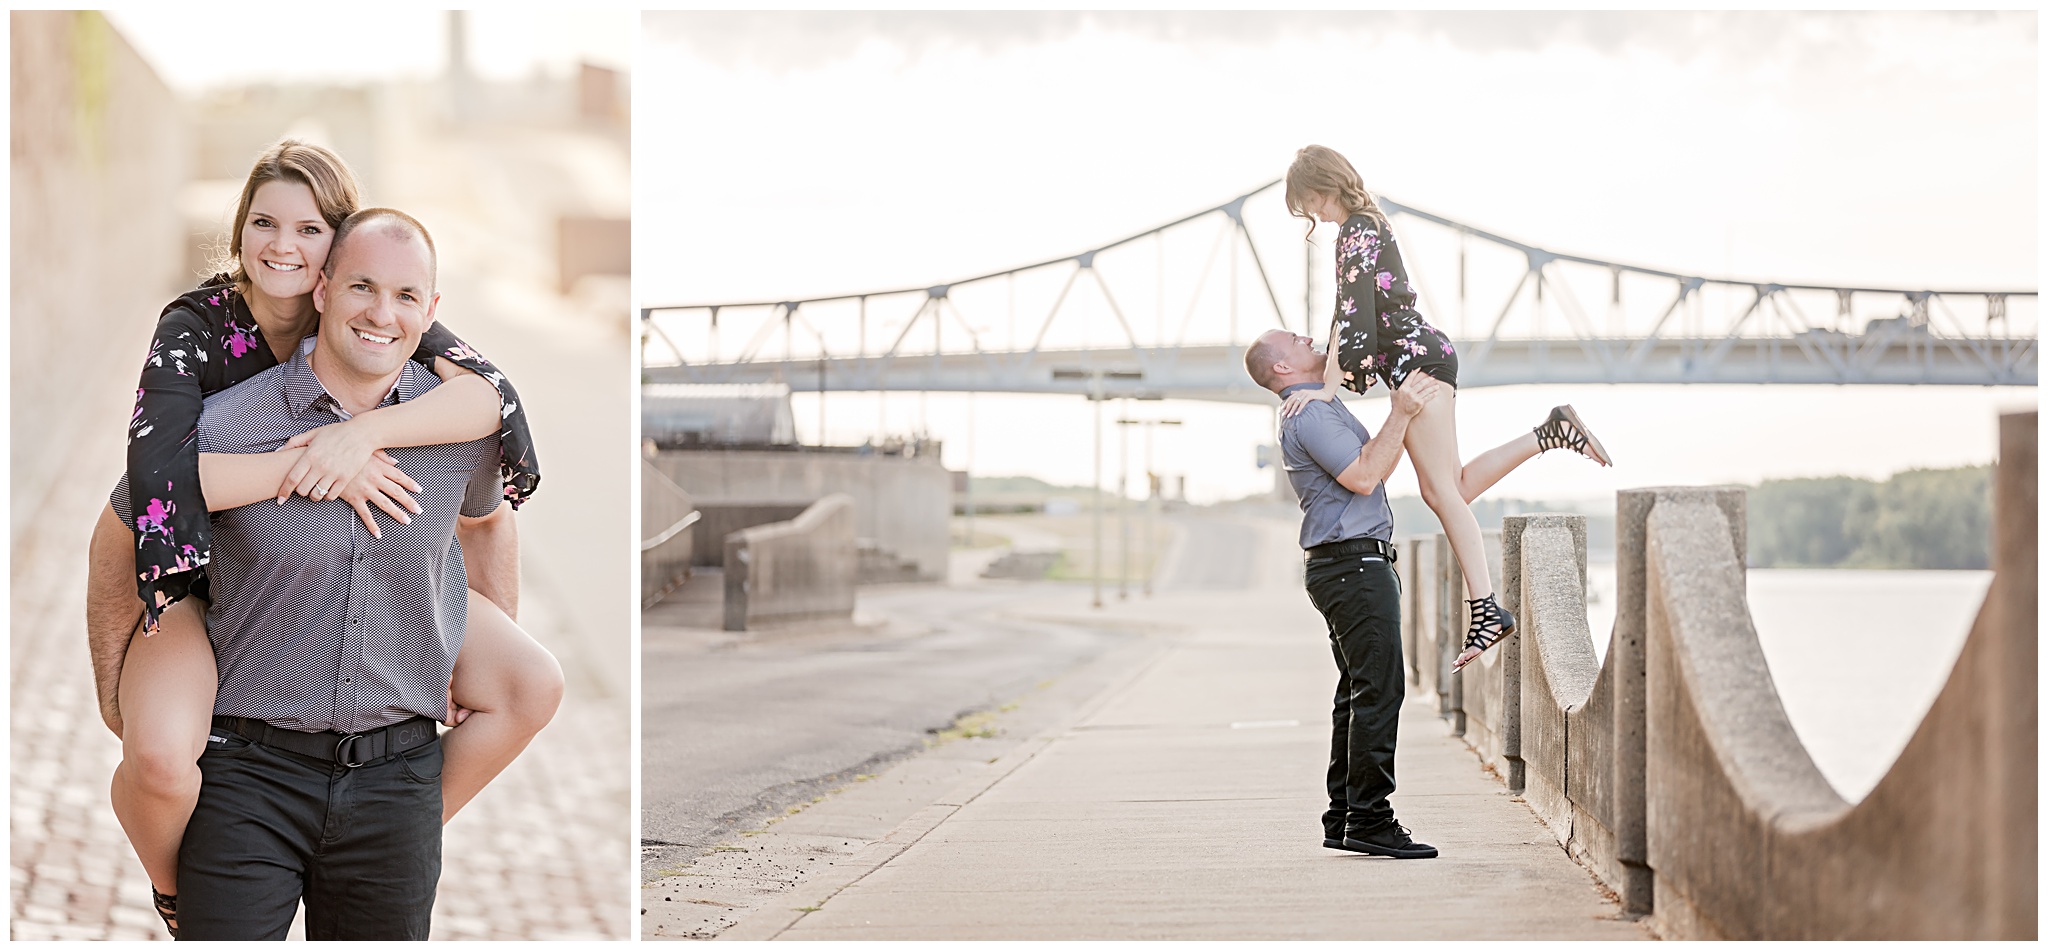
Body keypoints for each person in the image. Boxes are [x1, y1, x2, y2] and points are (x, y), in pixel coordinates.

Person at [82, 141, 562, 937]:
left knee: (532, 681)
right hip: (216, 627)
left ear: (330, 255)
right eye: (265, 223)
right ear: (326, 280)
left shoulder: (424, 363)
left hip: (391, 776)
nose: (284, 246)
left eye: (309, 230)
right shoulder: (199, 340)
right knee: (161, 754)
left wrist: (364, 434)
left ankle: (388, 834)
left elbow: (491, 429)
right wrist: (309, 460)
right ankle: (176, 883)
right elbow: (145, 502)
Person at [156, 207, 498, 938]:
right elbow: (131, 526)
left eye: (407, 296)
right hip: (249, 775)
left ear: (431, 311)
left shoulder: (460, 436)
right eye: (362, 287)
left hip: (397, 780)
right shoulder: (224, 428)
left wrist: (474, 656)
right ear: (322, 291)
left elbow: (491, 523)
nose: (382, 313)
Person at [1279, 144, 1613, 672]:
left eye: (1310, 202)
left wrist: (1333, 386)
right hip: (1420, 357)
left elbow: (1353, 312)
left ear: (1325, 186)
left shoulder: (1358, 227)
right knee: (1450, 487)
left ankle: (1486, 610)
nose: (1314, 216)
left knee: (1441, 493)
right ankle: (1551, 433)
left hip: (1415, 362)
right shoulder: (1365, 225)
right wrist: (1337, 379)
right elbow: (1347, 315)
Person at [1246, 329, 1444, 858]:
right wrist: (1400, 411)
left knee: (1357, 693)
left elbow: (1343, 326)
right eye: (1294, 338)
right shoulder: (1309, 415)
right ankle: (1371, 820)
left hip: (1346, 564)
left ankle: (1344, 816)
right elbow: (1364, 475)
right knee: (1380, 690)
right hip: (1352, 565)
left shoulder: (1317, 403)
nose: (1308, 336)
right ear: (1283, 369)